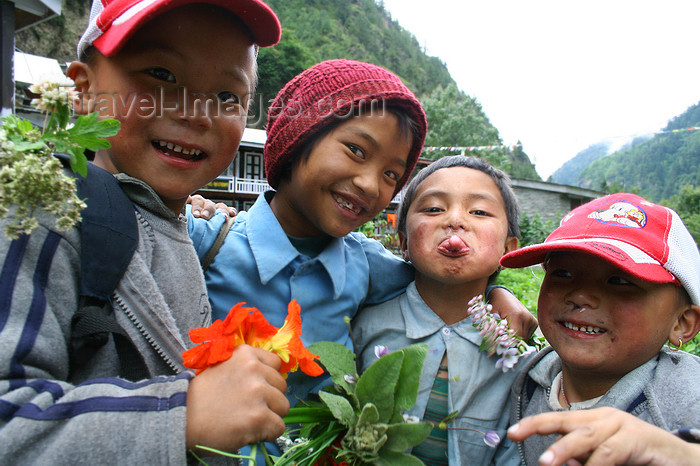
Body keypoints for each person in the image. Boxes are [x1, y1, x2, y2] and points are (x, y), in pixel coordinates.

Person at [0, 0, 291, 462]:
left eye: (227, 97)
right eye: (162, 74)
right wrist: (183, 416)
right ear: (83, 89)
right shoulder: (43, 213)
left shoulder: (171, 226)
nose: (198, 114)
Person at [186, 60, 537, 409]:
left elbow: (443, 270)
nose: (370, 184)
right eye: (356, 151)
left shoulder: (366, 264)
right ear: (297, 137)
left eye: (390, 174)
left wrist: (496, 292)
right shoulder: (206, 242)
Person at [499, 192, 700, 466]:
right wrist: (493, 292)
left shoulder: (687, 398)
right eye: (563, 274)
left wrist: (684, 454)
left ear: (682, 323)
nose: (581, 296)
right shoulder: (527, 376)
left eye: (619, 280)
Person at [352, 155, 528, 466]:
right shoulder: (363, 325)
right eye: (434, 208)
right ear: (403, 243)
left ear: (508, 249)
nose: (455, 221)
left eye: (480, 211)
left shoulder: (516, 346)